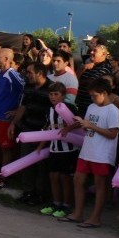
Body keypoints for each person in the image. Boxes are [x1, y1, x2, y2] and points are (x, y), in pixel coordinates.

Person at [59, 78, 119, 228]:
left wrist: (91, 126)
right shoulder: (92, 107)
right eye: (91, 95)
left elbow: (112, 134)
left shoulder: (113, 110)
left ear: (104, 93)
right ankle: (78, 214)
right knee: (78, 180)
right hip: (87, 151)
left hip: (102, 154)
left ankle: (95, 218)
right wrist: (71, 127)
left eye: (94, 95)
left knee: (100, 185)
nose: (92, 98)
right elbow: (86, 126)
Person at [8, 62, 53, 205]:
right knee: (26, 162)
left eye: (29, 72)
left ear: (39, 73)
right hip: (27, 130)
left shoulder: (51, 88)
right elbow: (22, 106)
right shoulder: (28, 86)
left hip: (43, 133)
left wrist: (46, 130)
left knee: (41, 165)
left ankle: (41, 194)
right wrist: (13, 123)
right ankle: (28, 191)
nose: (27, 75)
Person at [0, 48, 25, 188]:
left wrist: (16, 111)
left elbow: (24, 92)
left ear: (7, 59)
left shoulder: (14, 75)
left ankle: (4, 176)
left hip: (5, 119)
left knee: (5, 148)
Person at [37, 82, 79, 219]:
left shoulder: (70, 107)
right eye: (51, 94)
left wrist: (68, 128)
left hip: (68, 149)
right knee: (53, 176)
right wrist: (40, 146)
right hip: (54, 148)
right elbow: (48, 129)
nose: (53, 97)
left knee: (65, 177)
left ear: (63, 95)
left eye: (56, 94)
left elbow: (79, 122)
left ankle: (66, 205)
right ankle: (56, 203)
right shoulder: (48, 110)